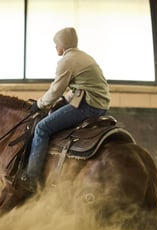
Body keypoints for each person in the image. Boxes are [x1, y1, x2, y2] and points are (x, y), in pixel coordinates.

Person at [20, 27, 111, 193]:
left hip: (88, 106)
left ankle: (31, 178)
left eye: (56, 45)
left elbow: (55, 90)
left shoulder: (66, 61)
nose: (55, 48)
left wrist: (39, 105)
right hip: (100, 104)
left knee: (41, 128)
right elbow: (80, 87)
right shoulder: (84, 57)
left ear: (62, 46)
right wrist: (64, 100)